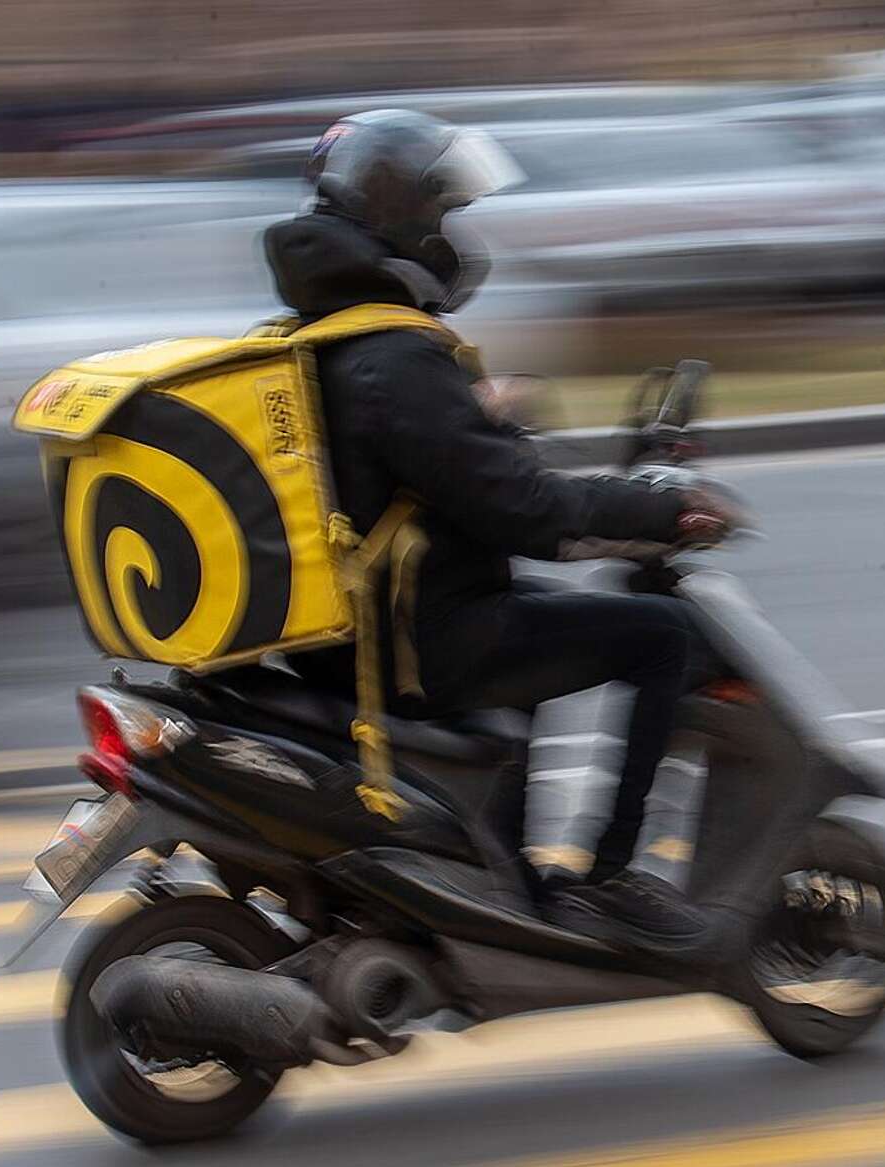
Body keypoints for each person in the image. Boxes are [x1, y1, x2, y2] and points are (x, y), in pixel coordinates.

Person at [266, 110, 725, 955]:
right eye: (445, 213)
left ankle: (504, 868)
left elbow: (405, 463)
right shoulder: (396, 356)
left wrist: (484, 415)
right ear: (403, 218)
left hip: (353, 633)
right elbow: (524, 511)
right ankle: (612, 874)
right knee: (661, 635)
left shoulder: (317, 337)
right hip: (417, 645)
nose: (453, 236)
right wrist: (661, 512)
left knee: (537, 623)